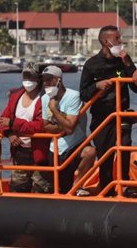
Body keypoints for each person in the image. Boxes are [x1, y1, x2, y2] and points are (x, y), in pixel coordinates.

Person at [80, 25, 137, 198]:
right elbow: (83, 94)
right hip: (101, 115)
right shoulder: (92, 64)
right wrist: (96, 86)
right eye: (117, 38)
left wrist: (129, 64)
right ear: (107, 42)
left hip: (121, 113)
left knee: (124, 146)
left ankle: (125, 185)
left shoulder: (123, 60)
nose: (120, 41)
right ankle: (107, 188)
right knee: (105, 153)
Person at [0, 62, 52, 193]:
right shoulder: (15, 97)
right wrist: (9, 134)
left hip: (40, 152)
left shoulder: (46, 99)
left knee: (41, 188)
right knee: (17, 188)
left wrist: (13, 123)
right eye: (25, 76)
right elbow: (2, 120)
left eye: (31, 77)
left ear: (39, 79)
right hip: (19, 152)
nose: (28, 81)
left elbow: (41, 126)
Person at [42, 65, 97, 195]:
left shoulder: (74, 96)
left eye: (50, 79)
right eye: (44, 80)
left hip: (76, 144)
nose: (46, 83)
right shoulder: (45, 99)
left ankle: (78, 185)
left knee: (90, 152)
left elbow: (70, 128)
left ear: (59, 80)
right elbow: (46, 127)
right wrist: (63, 124)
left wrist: (54, 110)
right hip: (56, 148)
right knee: (61, 188)